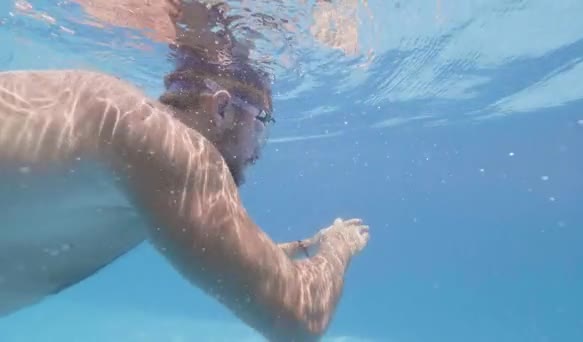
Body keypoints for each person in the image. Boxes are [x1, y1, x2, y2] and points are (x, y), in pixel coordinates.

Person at [0, 1, 370, 341]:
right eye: (263, 123)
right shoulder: (169, 149)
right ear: (222, 108)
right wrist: (339, 249)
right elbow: (297, 318)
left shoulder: (132, 144)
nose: (260, 150)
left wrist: (268, 255)